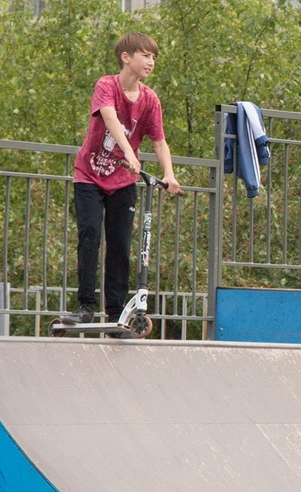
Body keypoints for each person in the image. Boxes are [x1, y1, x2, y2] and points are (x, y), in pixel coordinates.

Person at [66, 33, 182, 337]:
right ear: (126, 57)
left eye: (154, 57)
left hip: (123, 182)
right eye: (145, 55)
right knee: (90, 235)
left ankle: (116, 313)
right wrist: (130, 152)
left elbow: (159, 141)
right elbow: (110, 119)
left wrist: (169, 173)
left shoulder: (150, 99)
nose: (151, 62)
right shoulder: (107, 85)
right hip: (89, 174)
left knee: (119, 244)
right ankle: (85, 306)